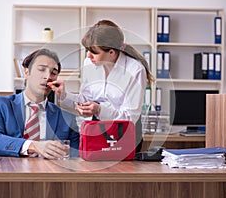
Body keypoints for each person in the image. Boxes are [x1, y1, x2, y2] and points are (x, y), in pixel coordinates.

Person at [49, 20, 154, 152]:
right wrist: (64, 95)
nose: (88, 55)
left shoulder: (135, 70)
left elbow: (129, 119)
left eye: (94, 52)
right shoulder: (89, 63)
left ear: (111, 52)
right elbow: (86, 99)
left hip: (125, 135)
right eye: (87, 50)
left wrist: (99, 109)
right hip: (97, 131)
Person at [0, 48, 79, 159]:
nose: (47, 77)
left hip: (47, 174)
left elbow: (76, 156)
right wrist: (34, 146)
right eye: (41, 69)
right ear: (27, 72)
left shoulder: (67, 118)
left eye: (53, 73)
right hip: (6, 173)